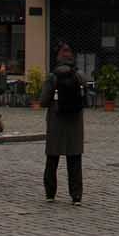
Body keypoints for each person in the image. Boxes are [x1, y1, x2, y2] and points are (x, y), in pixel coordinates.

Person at [40, 43, 86, 204]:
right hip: (75, 123)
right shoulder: (80, 76)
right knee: (74, 160)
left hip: (56, 122)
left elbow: (43, 101)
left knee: (52, 159)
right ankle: (76, 196)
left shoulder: (53, 76)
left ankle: (50, 193)